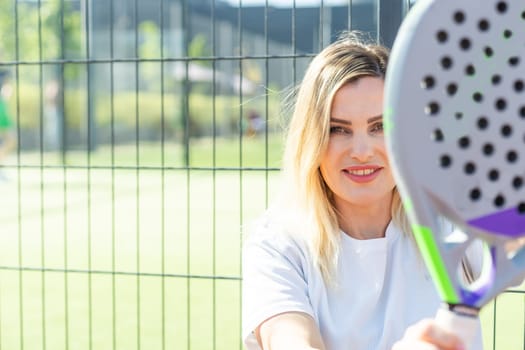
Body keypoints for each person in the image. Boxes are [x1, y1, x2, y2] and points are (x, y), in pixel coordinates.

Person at [242, 32, 482, 350]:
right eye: (338, 129)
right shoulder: (278, 245)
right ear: (311, 139)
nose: (361, 151)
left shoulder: (449, 217)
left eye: (379, 127)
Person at [0, 70, 16, 178]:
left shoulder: (5, 72)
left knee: (11, 139)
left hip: (2, 108)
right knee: (10, 139)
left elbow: (7, 90)